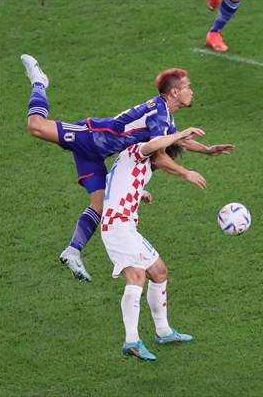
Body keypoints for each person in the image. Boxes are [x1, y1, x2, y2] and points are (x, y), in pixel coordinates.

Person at [21, 54, 234, 281]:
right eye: (188, 87)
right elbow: (157, 156)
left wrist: (208, 150)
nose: (192, 91)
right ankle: (39, 81)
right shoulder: (159, 113)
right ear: (174, 92)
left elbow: (177, 139)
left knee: (101, 205)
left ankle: (73, 251)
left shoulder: (166, 116)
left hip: (97, 154)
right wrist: (186, 173)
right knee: (36, 126)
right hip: (92, 136)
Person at [101, 128, 202, 360]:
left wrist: (140, 193)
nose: (164, 164)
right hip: (117, 227)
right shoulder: (138, 150)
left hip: (126, 227)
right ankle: (132, 341)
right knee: (137, 276)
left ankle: (163, 331)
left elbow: (115, 183)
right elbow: (154, 149)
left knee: (159, 272)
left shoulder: (134, 161)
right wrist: (186, 172)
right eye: (167, 157)